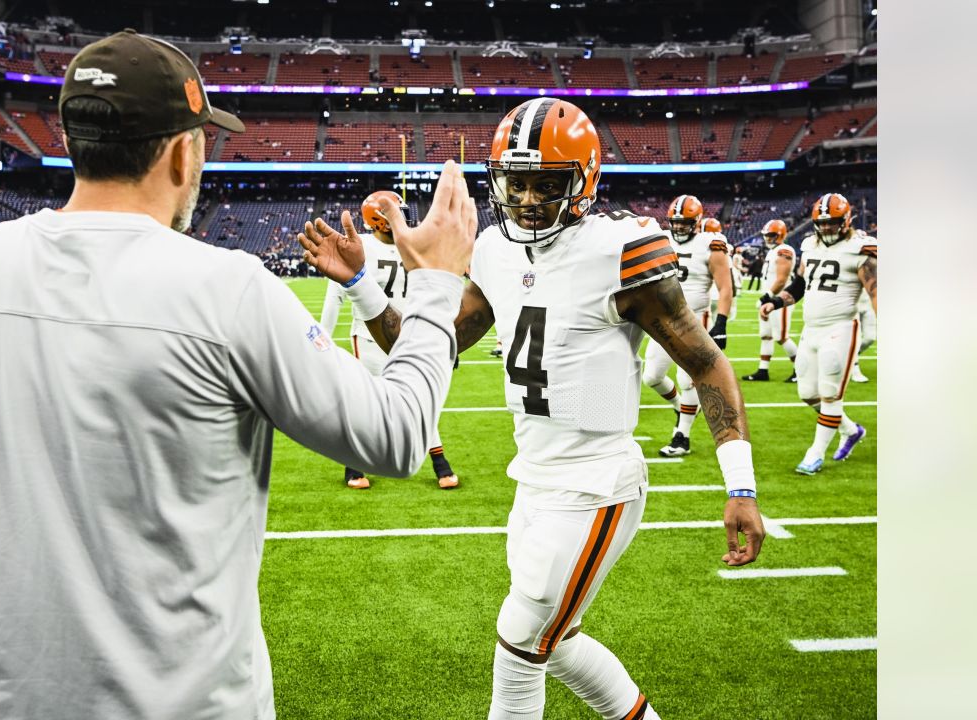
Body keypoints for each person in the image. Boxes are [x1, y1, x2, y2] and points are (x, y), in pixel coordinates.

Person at [0, 30, 477, 720]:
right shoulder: (225, 287)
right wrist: (440, 284)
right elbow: (395, 438)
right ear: (183, 151)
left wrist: (35, 532)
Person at [301, 98, 764, 720]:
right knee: (557, 643)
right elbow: (431, 340)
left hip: (598, 481)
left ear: (584, 179)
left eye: (545, 183)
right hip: (533, 479)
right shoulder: (493, 249)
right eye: (514, 182)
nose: (525, 199)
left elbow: (706, 363)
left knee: (520, 645)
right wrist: (360, 284)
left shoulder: (621, 250)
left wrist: (741, 485)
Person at [319, 189, 461, 490]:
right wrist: (324, 340)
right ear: (379, 220)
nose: (405, 218)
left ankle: (439, 462)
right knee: (366, 402)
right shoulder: (362, 247)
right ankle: (354, 464)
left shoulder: (411, 245)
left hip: (407, 335)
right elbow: (335, 297)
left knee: (420, 397)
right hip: (369, 337)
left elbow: (432, 293)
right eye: (396, 212)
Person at [761, 192, 876, 474]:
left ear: (846, 220)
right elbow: (801, 284)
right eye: (821, 223)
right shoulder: (809, 244)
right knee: (807, 392)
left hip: (841, 326)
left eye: (832, 222)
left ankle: (815, 453)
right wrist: (776, 302)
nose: (826, 228)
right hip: (811, 329)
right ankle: (850, 430)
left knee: (829, 393)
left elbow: (875, 290)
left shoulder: (861, 248)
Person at [641, 195, 733, 458]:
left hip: (694, 320)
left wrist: (722, 322)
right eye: (676, 223)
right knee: (652, 377)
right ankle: (679, 406)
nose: (679, 228)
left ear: (698, 222)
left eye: (685, 223)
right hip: (662, 320)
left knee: (688, 380)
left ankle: (682, 436)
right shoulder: (662, 239)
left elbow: (725, 287)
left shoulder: (710, 244)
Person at [742, 219, 798, 382]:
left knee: (781, 336)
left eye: (772, 235)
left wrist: (767, 296)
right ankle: (763, 371)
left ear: (781, 234)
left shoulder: (784, 250)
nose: (768, 238)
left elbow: (782, 279)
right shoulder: (774, 251)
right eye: (767, 235)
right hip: (770, 301)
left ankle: (801, 370)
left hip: (781, 300)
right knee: (766, 335)